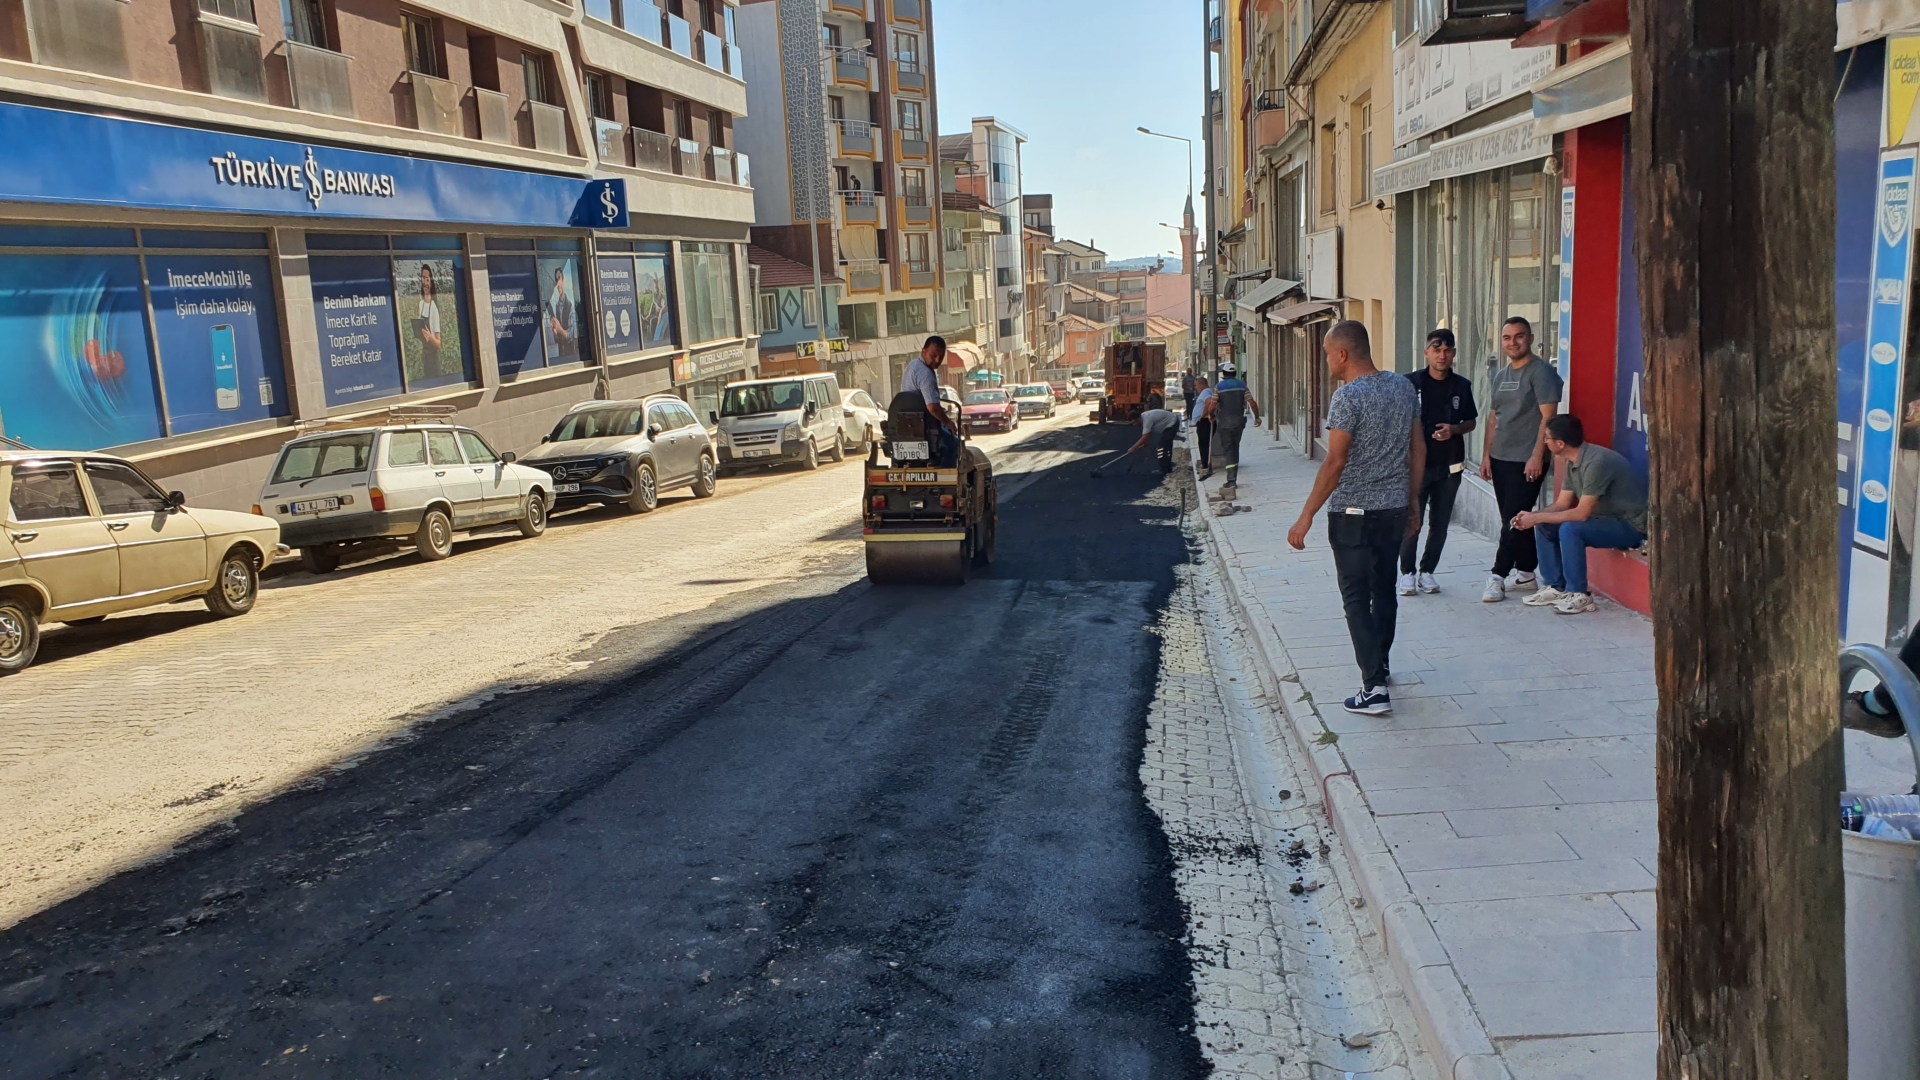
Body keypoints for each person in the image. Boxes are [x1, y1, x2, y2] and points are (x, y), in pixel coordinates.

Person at [1286, 321, 1423, 716]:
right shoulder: (1403, 388)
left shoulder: (1346, 397)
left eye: (1328, 354)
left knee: (1356, 598)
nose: (1328, 361)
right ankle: (1380, 665)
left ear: (1342, 354)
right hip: (1392, 510)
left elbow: (1335, 460)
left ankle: (1373, 688)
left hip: (1352, 516)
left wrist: (1305, 516)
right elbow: (1418, 449)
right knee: (1385, 590)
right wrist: (1413, 502)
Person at [1511, 415, 1647, 615]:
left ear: (1560, 443)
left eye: (1547, 438)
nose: (1544, 442)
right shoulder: (1572, 460)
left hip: (1630, 526)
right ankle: (1555, 587)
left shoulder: (1596, 462)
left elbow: (1582, 514)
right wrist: (1532, 516)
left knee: (1570, 529)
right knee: (1545, 525)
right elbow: (1562, 504)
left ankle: (1579, 594)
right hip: (1605, 520)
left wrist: (1536, 517)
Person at [1478, 317, 1563, 603]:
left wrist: (1537, 455)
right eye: (1507, 337)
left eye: (1519, 336)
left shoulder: (1541, 373)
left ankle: (1497, 575)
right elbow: (1494, 417)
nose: (1512, 342)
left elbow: (1548, 418)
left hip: (1526, 460)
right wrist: (1486, 456)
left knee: (1513, 519)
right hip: (1500, 457)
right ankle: (1526, 572)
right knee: (1513, 517)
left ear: (1530, 338)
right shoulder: (1501, 375)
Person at [1398, 329, 1477, 595]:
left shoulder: (1461, 386)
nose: (1442, 355)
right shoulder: (1410, 383)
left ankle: (1427, 571)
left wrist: (1454, 430)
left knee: (1440, 524)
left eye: (1447, 350)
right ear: (1426, 353)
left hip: (1449, 466)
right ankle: (1407, 573)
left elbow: (1471, 421)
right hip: (1416, 466)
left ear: (1453, 353)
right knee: (1412, 520)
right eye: (1436, 349)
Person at [901, 335, 961, 467]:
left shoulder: (912, 365)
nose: (937, 360)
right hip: (925, 429)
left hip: (907, 426)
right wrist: (948, 422)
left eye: (941, 356)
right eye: (933, 355)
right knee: (955, 443)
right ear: (924, 352)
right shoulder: (926, 374)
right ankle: (947, 477)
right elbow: (932, 407)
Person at [1206, 362, 1263, 489]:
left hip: (1224, 423)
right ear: (1235, 373)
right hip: (1238, 423)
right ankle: (1233, 476)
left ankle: (1231, 480)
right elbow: (1252, 403)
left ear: (1224, 374)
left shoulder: (1219, 387)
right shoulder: (1242, 385)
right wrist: (1257, 417)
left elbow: (1212, 406)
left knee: (1228, 449)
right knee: (1235, 447)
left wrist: (1211, 415)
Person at [1123, 406, 1182, 474]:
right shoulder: (1143, 417)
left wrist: (1133, 448)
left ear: (1138, 418)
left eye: (1134, 422)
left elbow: (1145, 437)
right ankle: (1167, 468)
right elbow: (1147, 435)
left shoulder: (1147, 419)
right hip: (1171, 423)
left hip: (1172, 424)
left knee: (1162, 447)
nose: (1135, 425)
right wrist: (1145, 444)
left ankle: (1165, 470)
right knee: (1166, 446)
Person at [1191, 377, 1214, 477]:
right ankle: (1205, 463)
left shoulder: (1205, 392)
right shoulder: (1207, 391)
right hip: (1203, 421)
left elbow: (1209, 402)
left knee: (1203, 443)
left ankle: (1205, 465)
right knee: (1203, 442)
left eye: (1196, 385)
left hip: (1204, 421)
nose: (1195, 388)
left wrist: (1203, 415)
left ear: (1202, 384)